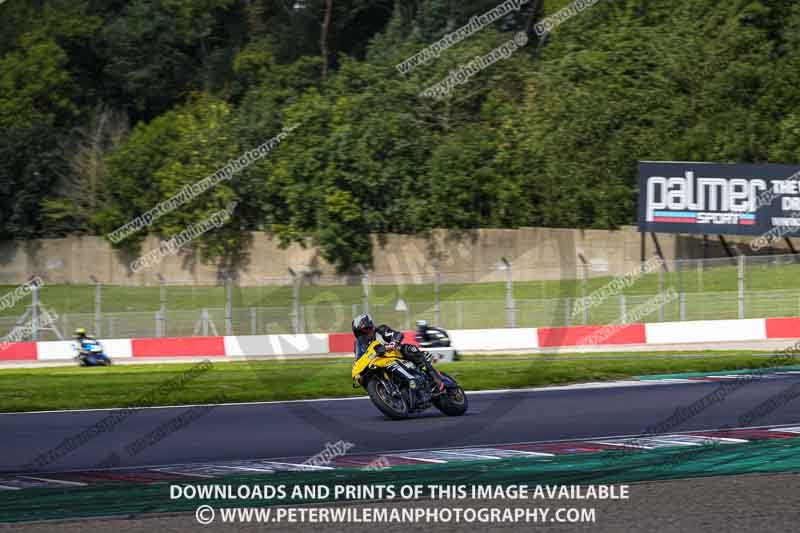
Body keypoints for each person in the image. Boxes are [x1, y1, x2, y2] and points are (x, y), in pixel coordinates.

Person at [351, 314, 444, 392]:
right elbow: (358, 358)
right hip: (379, 362)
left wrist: (394, 342)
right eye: (362, 331)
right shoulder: (359, 344)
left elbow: (397, 334)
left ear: (371, 325)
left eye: (367, 328)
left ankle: (434, 376)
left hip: (396, 353)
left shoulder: (381, 330)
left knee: (410, 349)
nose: (366, 332)